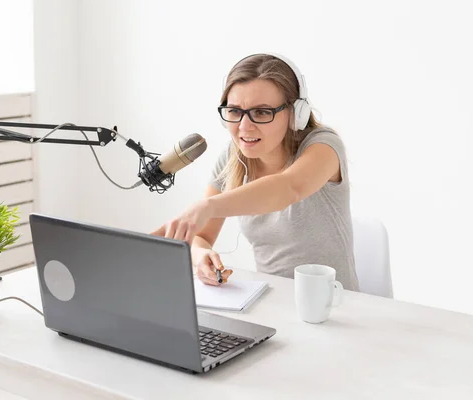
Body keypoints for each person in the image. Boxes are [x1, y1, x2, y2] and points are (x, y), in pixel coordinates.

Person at [151, 53, 359, 291]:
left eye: (261, 112)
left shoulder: (324, 146)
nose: (244, 127)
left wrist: (208, 206)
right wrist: (201, 256)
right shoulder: (233, 157)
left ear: (295, 113)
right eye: (235, 111)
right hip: (273, 302)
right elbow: (201, 237)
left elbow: (288, 188)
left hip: (334, 308)